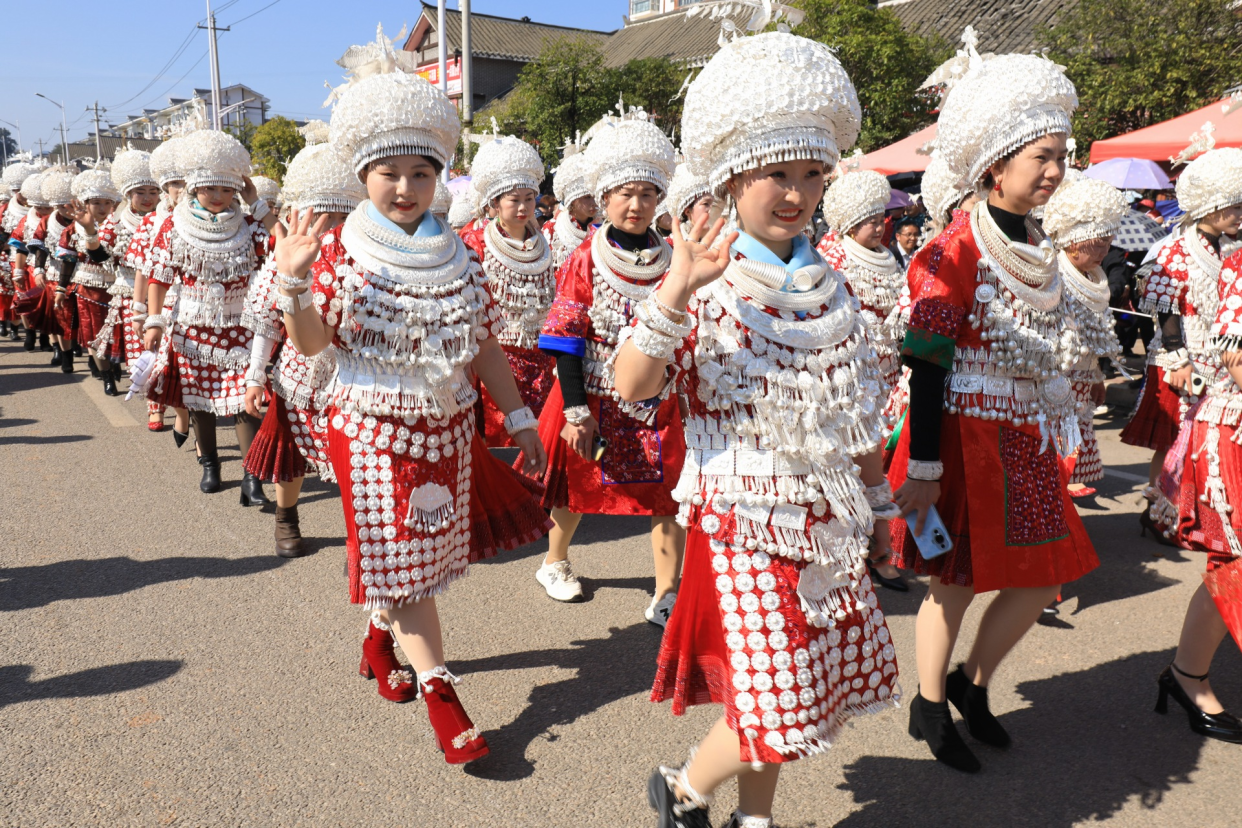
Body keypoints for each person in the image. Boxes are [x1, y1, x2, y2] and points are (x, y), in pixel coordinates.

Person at [614, 32, 900, 828]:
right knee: (779, 691)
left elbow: (855, 414)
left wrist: (880, 503)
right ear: (734, 175)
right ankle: (683, 790)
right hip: (742, 519)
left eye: (813, 175)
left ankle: (749, 815)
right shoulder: (703, 278)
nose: (797, 192)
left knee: (795, 686)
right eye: (779, 172)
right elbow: (633, 386)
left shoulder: (835, 286)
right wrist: (675, 288)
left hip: (828, 516)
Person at [273, 47, 551, 763]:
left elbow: (483, 344)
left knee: (413, 556)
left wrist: (519, 418)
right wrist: (295, 283)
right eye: (388, 173)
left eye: (420, 172)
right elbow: (310, 344)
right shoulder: (340, 250)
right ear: (363, 176)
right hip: (366, 427)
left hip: (448, 427)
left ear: (440, 176)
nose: (405, 186)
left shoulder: (461, 254)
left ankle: (378, 638)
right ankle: (441, 692)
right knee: (405, 563)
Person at [887, 50, 1098, 774]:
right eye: (1042, 157)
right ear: (996, 163)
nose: (1053, 171)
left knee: (1042, 577)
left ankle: (970, 684)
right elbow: (924, 359)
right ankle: (928, 703)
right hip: (959, 436)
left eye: (1061, 158)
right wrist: (922, 462)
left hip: (1023, 435)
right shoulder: (953, 246)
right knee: (956, 581)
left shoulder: (1037, 244)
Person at [516, 114, 687, 623]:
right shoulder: (586, 258)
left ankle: (665, 592)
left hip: (660, 402)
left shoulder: (675, 258)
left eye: (648, 195)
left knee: (669, 496)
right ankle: (554, 559)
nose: (636, 206)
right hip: (592, 397)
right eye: (625, 194)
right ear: (605, 197)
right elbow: (565, 339)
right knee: (579, 489)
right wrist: (573, 409)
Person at [241, 140, 367, 558]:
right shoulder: (287, 256)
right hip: (298, 376)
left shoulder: (372, 256)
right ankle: (286, 518)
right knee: (290, 455)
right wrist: (256, 377)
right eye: (319, 215)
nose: (328, 225)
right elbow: (266, 324)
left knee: (359, 459)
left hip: (355, 377)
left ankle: (363, 533)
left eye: (340, 214)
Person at [143, 129, 278, 502]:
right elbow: (159, 274)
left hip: (242, 328)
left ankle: (252, 476)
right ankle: (211, 465)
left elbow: (285, 248)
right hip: (193, 329)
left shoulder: (249, 225)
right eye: (209, 189)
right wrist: (154, 321)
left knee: (245, 402)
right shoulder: (174, 225)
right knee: (200, 400)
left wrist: (259, 205)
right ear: (194, 189)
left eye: (226, 190)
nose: (218, 197)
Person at [1123, 149, 1242, 539]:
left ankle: (1188, 512)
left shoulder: (1228, 249)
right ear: (1210, 208)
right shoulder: (1175, 250)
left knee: (1199, 441)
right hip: (1181, 356)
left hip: (1215, 357)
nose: (1239, 216)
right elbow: (1164, 311)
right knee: (1172, 439)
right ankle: (1157, 511)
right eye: (1233, 209)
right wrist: (1177, 358)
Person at [1162, 236, 1242, 744]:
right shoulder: (1235, 264)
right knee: (1235, 563)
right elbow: (1237, 357)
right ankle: (1188, 676)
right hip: (1232, 427)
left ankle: (1185, 673)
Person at [821, 169, 910, 591]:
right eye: (870, 219)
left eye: (882, 218)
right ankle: (857, 551)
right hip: (846, 379)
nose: (880, 226)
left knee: (883, 464)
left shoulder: (890, 256)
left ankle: (882, 550)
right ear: (849, 222)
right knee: (851, 466)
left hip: (888, 375)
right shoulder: (830, 257)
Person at [460, 134, 558, 448]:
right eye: (514, 199)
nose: (523, 207)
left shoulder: (544, 243)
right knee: (504, 445)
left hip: (542, 360)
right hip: (497, 359)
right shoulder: (475, 244)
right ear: (495, 202)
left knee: (542, 441)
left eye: (529, 198)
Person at [1042, 175, 1129, 496]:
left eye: (1108, 244)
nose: (1105, 252)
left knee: (1076, 435)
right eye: (1100, 244)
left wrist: (1095, 377)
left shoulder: (1092, 277)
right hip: (1053, 383)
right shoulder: (1048, 276)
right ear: (1075, 241)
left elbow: (1095, 335)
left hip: (1080, 382)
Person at [127, 135, 191, 436]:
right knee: (162, 361)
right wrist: (140, 311)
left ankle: (186, 412)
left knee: (186, 367)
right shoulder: (151, 222)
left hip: (195, 303)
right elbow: (143, 270)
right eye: (175, 184)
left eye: (187, 182)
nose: (182, 190)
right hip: (160, 302)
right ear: (166, 187)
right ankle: (159, 406)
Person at [90, 148, 161, 396]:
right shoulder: (115, 222)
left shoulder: (169, 218)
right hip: (130, 294)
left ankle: (162, 401)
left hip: (163, 291)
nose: (147, 197)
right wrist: (90, 235)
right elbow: (101, 257)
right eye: (140, 192)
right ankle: (152, 399)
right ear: (128, 194)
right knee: (139, 348)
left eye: (153, 192)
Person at [55, 168, 121, 383]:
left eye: (107, 203)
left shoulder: (121, 226)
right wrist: (61, 288)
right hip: (87, 289)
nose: (102, 208)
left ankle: (114, 363)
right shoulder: (73, 229)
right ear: (85, 204)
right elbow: (68, 260)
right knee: (94, 335)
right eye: (96, 203)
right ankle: (107, 375)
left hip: (119, 288)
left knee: (117, 333)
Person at [0, 161, 40, 342]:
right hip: (11, 257)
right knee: (16, 293)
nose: (19, 194)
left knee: (39, 294)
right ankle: (21, 329)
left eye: (21, 190)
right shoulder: (5, 209)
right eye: (15, 190)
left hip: (36, 257)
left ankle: (41, 330)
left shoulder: (39, 209)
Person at [545, 149, 597, 270]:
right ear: (573, 200)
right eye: (587, 197)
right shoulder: (553, 228)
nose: (593, 202)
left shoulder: (603, 226)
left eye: (594, 196)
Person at [664, 162, 712, 240]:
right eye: (706, 204)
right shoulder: (668, 248)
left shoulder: (726, 245)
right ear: (687, 211)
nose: (712, 209)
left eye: (716, 204)